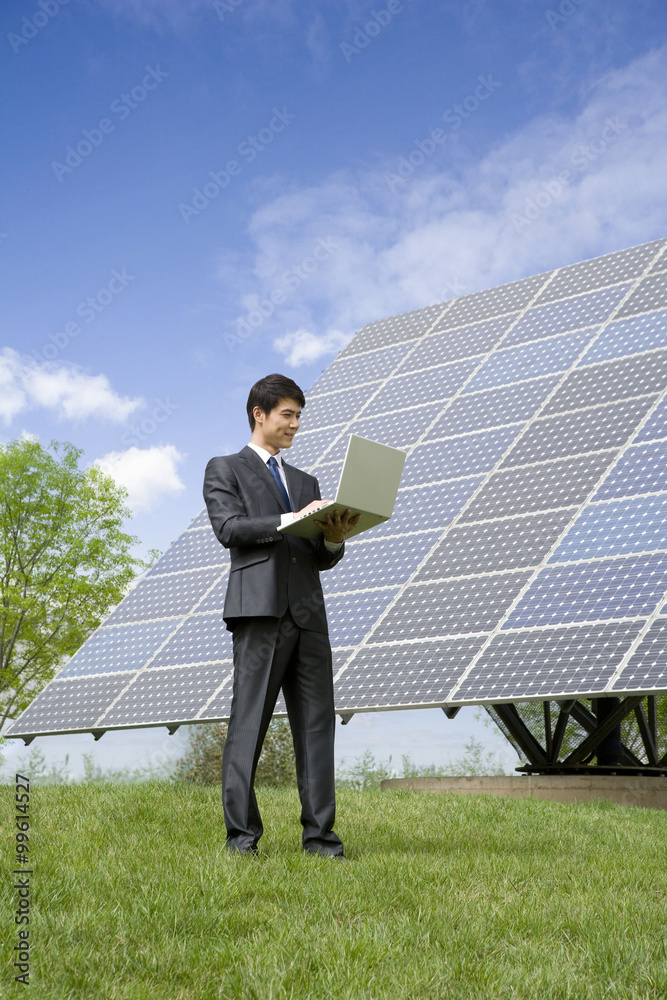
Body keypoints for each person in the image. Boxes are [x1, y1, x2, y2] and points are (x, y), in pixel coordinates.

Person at [203, 373, 360, 857]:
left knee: (316, 727)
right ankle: (242, 839)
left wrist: (334, 537)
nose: (295, 425)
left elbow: (319, 556)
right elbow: (229, 529)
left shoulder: (307, 481)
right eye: (287, 415)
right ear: (260, 414)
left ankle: (321, 840)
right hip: (259, 613)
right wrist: (290, 520)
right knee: (249, 723)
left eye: (298, 417)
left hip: (309, 616)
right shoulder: (224, 468)